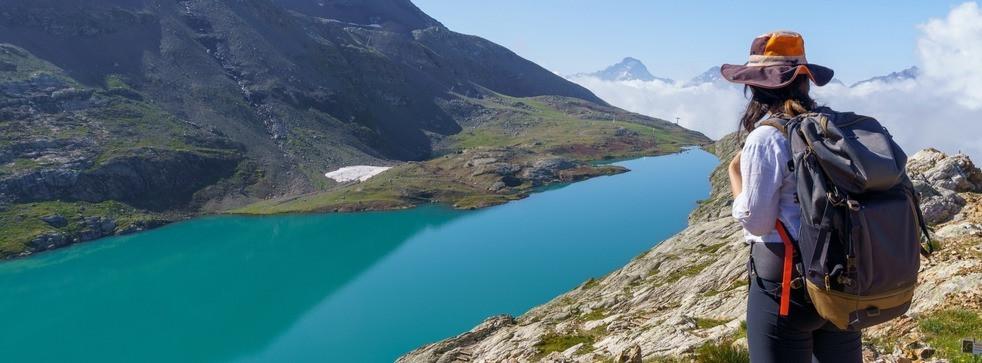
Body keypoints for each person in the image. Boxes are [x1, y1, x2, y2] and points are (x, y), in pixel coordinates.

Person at [720, 31, 863, 363]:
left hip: (786, 286)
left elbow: (757, 221)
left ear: (755, 86)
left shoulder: (767, 137)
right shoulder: (828, 127)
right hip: (839, 277)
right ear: (804, 81)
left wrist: (734, 177)